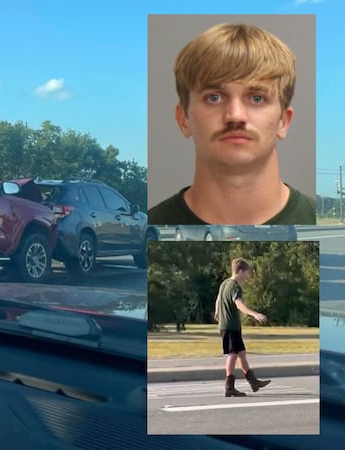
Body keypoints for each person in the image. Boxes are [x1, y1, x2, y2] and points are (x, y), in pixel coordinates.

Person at [148, 23, 316, 225]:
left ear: (284, 121)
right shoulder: (150, 227)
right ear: (183, 118)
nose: (235, 115)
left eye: (256, 98)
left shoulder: (315, 222)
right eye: (214, 98)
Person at [215, 257, 271, 397]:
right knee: (232, 354)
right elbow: (239, 304)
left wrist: (217, 312)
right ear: (240, 271)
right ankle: (229, 387)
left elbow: (218, 299)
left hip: (227, 325)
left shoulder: (224, 283)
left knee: (241, 353)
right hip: (230, 326)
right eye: (246, 273)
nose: (247, 276)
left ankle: (253, 382)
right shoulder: (235, 286)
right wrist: (254, 314)